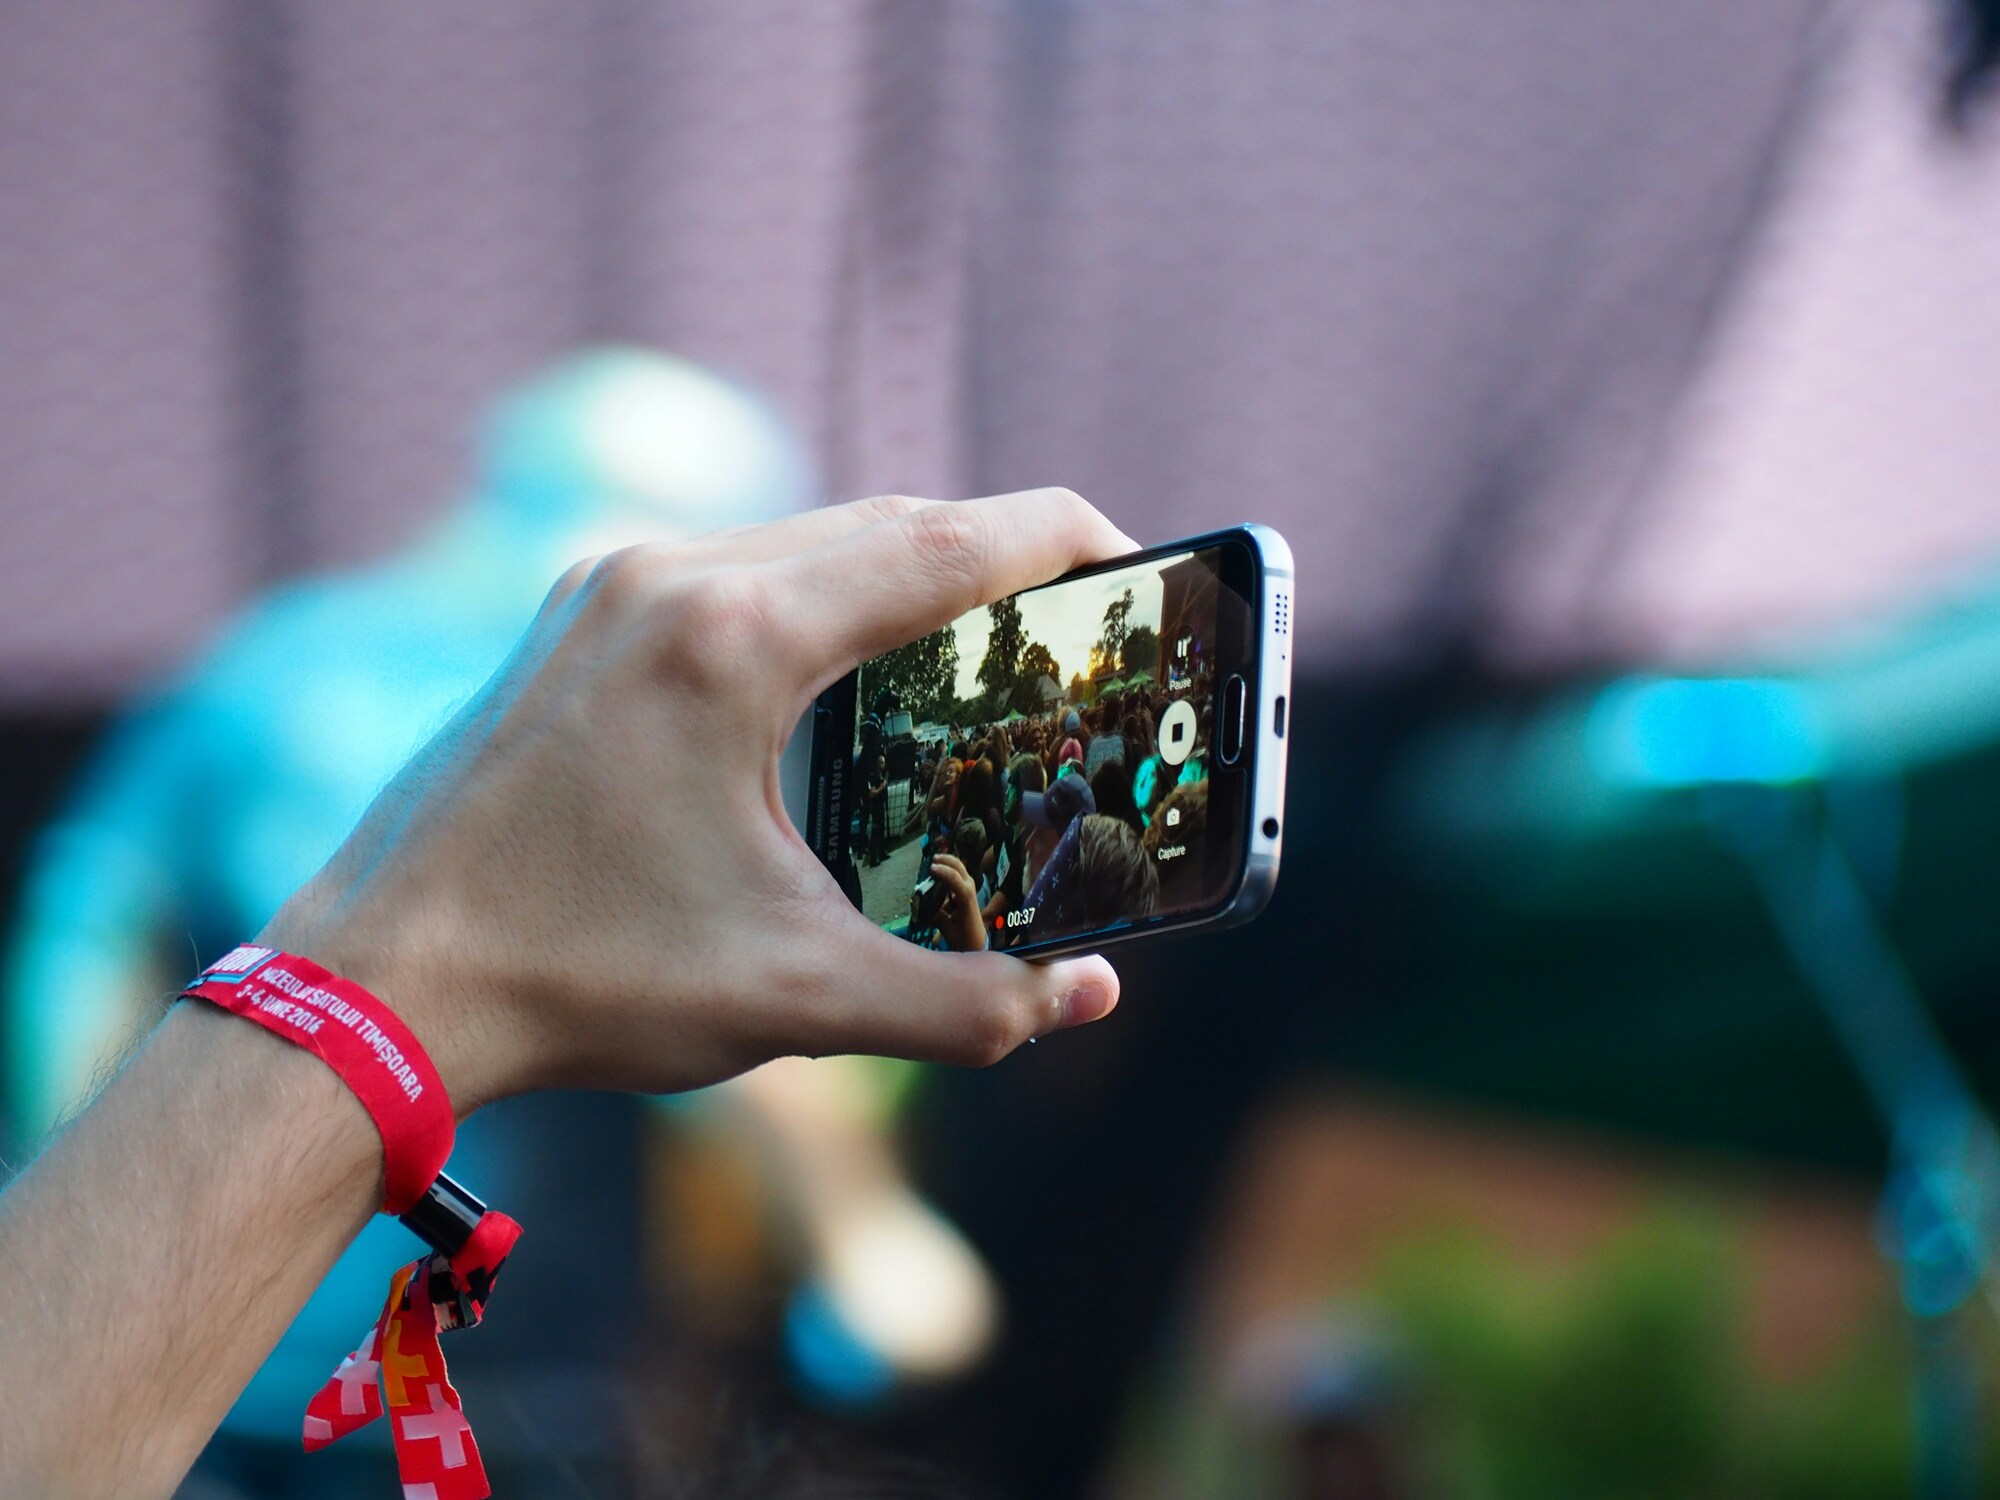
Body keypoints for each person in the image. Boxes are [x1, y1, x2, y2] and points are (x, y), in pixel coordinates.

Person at [0, 488, 1129, 1500]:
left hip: (218, 1372)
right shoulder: (580, 707)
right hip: (500, 1391)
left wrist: (88, 1209)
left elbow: (84, 921)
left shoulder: (266, 656)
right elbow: (745, 1086)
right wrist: (863, 1242)